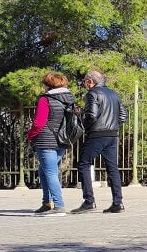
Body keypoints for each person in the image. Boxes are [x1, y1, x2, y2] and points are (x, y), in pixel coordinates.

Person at [71, 70, 128, 214]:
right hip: (112, 135)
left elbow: (92, 115)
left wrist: (85, 125)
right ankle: (118, 202)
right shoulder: (114, 93)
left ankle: (89, 201)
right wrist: (113, 127)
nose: (84, 84)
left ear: (90, 81)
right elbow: (123, 116)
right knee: (112, 168)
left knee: (83, 164)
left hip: (97, 134)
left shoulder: (92, 93)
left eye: (85, 82)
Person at [26, 72, 76, 216]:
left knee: (50, 172)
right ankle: (46, 202)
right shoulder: (69, 99)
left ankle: (59, 205)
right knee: (44, 170)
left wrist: (30, 135)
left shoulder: (45, 99)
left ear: (48, 85)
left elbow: (39, 122)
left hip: (45, 140)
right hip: (62, 140)